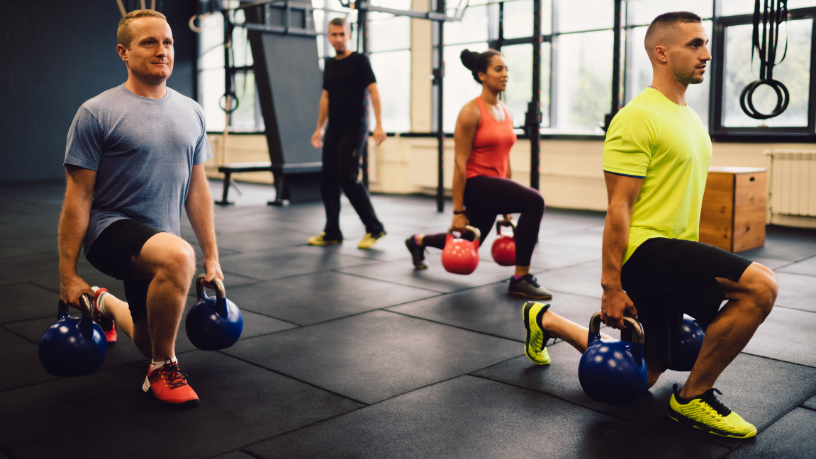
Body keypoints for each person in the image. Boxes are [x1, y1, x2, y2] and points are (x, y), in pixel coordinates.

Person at [522, 12, 778, 439]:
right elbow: (619, 206)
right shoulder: (638, 117)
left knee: (642, 378)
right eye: (695, 44)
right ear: (662, 52)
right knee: (761, 285)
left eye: (705, 45)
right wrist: (611, 285)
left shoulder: (690, 118)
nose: (707, 54)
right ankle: (694, 398)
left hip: (674, 250)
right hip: (647, 253)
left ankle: (545, 320)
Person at [58, 9, 222, 408]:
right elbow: (78, 195)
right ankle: (162, 369)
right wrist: (67, 274)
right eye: (149, 42)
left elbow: (197, 188)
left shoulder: (192, 111)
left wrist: (213, 257)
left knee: (149, 338)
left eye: (166, 41)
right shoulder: (97, 112)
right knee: (177, 259)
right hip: (110, 229)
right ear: (123, 52)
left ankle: (103, 303)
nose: (161, 50)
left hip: (159, 235)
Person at [405, 49, 552, 300]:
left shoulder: (506, 112)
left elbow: (505, 159)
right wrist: (458, 211)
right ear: (482, 75)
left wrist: (507, 204)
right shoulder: (470, 111)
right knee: (534, 200)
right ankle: (520, 278)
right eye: (498, 69)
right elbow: (459, 163)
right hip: (475, 184)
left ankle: (417, 241)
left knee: (470, 240)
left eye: (506, 69)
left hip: (494, 185)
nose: (505, 74)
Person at [309, 17, 387, 249]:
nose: (338, 39)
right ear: (329, 37)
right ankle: (332, 231)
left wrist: (379, 124)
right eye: (334, 35)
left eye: (342, 34)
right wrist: (319, 128)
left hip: (355, 128)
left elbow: (374, 91)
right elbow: (325, 97)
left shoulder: (360, 61)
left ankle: (375, 228)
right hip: (334, 129)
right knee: (328, 181)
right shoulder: (330, 64)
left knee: (348, 179)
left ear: (349, 34)